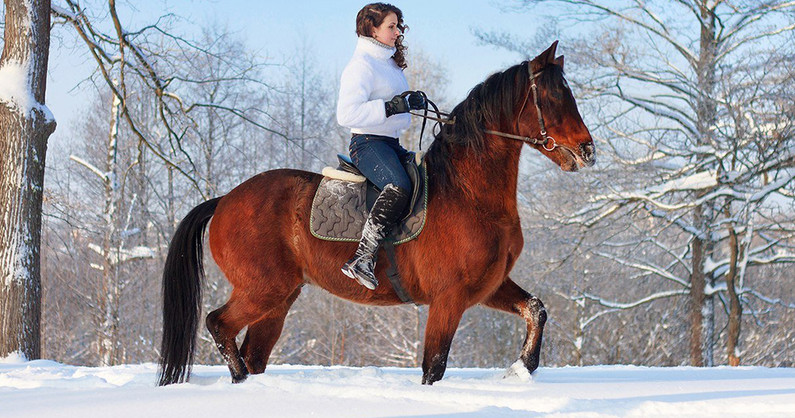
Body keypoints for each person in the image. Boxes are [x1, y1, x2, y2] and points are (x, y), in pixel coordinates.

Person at [337, 3, 425, 290]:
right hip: (366, 143)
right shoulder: (361, 65)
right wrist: (390, 107)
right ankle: (362, 257)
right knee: (398, 185)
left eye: (398, 26)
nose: (398, 32)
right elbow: (346, 114)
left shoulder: (387, 64)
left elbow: (394, 110)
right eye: (391, 26)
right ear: (372, 29)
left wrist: (409, 105)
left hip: (390, 143)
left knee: (426, 175)